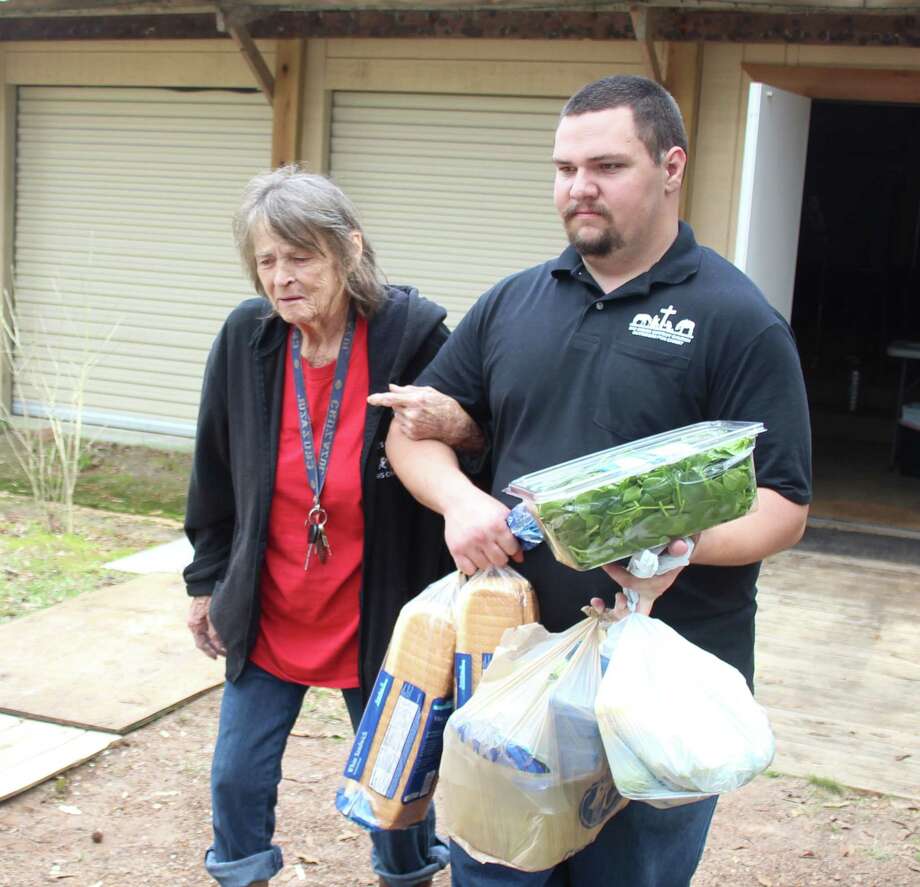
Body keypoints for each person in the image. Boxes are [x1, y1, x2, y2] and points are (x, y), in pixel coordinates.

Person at [381, 75, 812, 886]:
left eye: (607, 165)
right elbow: (413, 432)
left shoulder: (735, 317)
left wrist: (680, 543)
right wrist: (461, 499)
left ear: (671, 165)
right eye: (564, 167)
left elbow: (782, 505)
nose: (579, 188)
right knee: (494, 872)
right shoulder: (513, 302)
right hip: (506, 669)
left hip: (655, 690)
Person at [183, 166, 482, 887]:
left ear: (348, 249)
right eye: (267, 260)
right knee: (235, 777)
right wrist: (205, 581)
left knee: (397, 790)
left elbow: (473, 444)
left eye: (301, 255)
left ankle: (406, 875)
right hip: (273, 601)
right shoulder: (245, 341)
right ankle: (242, 874)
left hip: (378, 608)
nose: (283, 277)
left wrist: (460, 427)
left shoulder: (413, 337)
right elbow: (214, 470)